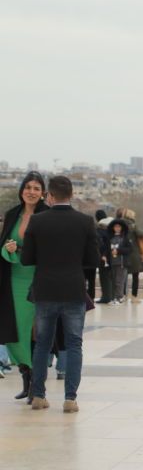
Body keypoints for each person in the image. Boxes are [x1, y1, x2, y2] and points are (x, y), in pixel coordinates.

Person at [21, 176, 100, 412]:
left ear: (50, 196)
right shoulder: (85, 222)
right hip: (73, 289)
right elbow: (93, 260)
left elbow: (27, 259)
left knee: (42, 344)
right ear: (72, 194)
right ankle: (70, 398)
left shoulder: (37, 220)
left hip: (45, 289)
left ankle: (38, 395)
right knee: (74, 344)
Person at [1, 171, 50, 401]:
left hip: (38, 279)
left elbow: (50, 249)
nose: (31, 191)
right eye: (28, 187)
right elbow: (3, 245)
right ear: (22, 190)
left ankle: (36, 384)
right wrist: (8, 250)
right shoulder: (12, 214)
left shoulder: (47, 216)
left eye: (36, 188)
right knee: (13, 331)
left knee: (33, 332)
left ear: (42, 194)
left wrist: (20, 250)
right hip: (13, 278)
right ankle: (26, 375)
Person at [116, 208, 143, 303]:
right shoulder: (133, 226)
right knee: (135, 276)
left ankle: (123, 295)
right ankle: (134, 296)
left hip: (123, 253)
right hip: (134, 254)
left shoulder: (119, 225)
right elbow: (142, 234)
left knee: (123, 276)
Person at [107, 219, 134, 304]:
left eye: (119, 227)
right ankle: (114, 298)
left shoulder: (125, 238)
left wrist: (118, 251)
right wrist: (104, 255)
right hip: (112, 262)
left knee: (119, 281)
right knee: (114, 281)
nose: (117, 228)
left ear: (122, 228)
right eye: (115, 227)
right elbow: (107, 249)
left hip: (122, 263)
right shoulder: (111, 237)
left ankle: (120, 297)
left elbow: (130, 249)